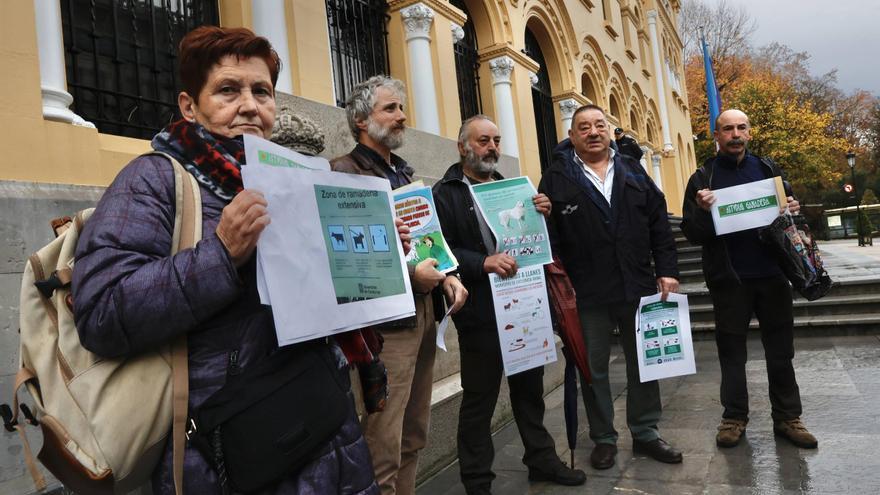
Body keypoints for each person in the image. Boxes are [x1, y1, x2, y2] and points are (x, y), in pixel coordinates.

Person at [72, 26, 379, 494]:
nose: (251, 106)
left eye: (262, 91)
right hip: (229, 453)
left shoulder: (293, 180)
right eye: (228, 90)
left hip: (326, 432)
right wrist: (220, 255)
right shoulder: (152, 180)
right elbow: (101, 314)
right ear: (189, 105)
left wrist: (374, 250)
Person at [433, 115, 587, 495]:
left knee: (529, 393)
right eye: (483, 140)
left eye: (496, 140)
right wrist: (481, 263)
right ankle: (477, 481)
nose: (492, 148)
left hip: (523, 308)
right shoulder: (446, 192)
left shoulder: (513, 188)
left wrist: (542, 214)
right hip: (480, 316)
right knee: (479, 403)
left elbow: (536, 245)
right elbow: (440, 249)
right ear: (462, 146)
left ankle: (541, 460)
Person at [331, 75, 468, 495]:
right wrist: (411, 276)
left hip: (423, 318)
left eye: (401, 108)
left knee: (414, 436)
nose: (401, 116)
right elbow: (346, 262)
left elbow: (425, 240)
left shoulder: (404, 173)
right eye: (390, 108)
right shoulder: (343, 173)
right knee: (383, 443)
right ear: (360, 119)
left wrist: (448, 275)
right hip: (385, 332)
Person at [539, 105, 681, 470]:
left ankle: (646, 433)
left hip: (636, 285)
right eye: (583, 127)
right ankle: (603, 438)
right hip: (586, 293)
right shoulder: (555, 178)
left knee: (644, 364)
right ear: (572, 137)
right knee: (593, 369)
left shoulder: (634, 170)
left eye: (599, 125)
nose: (593, 132)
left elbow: (659, 227)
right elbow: (548, 238)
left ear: (609, 130)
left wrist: (666, 270)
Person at [680, 109, 817, 450]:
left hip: (773, 276)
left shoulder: (769, 170)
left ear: (750, 132)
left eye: (741, 127)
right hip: (730, 280)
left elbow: (791, 215)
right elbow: (692, 233)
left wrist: (794, 207)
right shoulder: (702, 177)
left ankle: (788, 418)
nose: (735, 134)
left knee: (781, 352)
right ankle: (733, 417)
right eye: (728, 129)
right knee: (731, 354)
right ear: (716, 135)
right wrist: (701, 209)